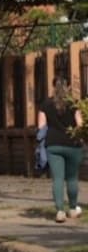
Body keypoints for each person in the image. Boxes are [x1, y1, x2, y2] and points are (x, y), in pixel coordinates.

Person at [37, 77, 83, 223]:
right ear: (68, 87)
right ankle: (73, 209)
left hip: (53, 145)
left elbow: (41, 127)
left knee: (57, 178)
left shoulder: (46, 104)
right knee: (72, 178)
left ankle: (60, 212)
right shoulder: (74, 103)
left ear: (53, 87)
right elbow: (80, 125)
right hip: (73, 144)